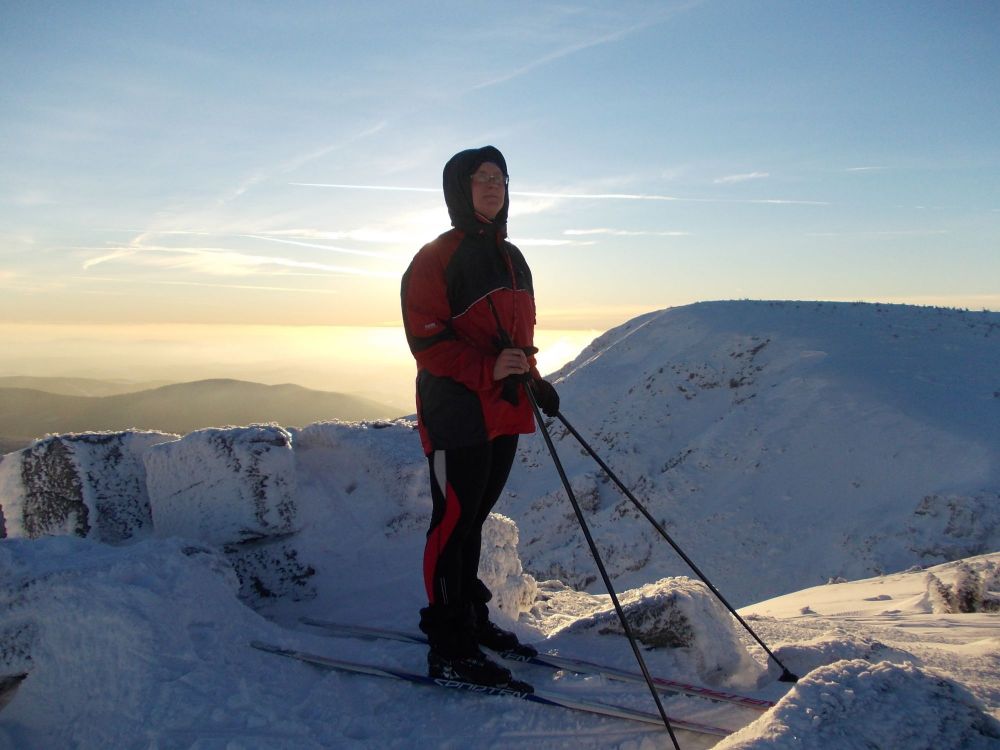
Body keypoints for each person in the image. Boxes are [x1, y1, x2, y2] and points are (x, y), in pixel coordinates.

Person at [400, 146, 560, 689]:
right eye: (481, 178)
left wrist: (532, 380)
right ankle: (447, 644)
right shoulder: (435, 257)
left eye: (500, 177)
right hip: (456, 413)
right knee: (452, 524)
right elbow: (427, 342)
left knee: (473, 522)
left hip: (501, 410)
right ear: (459, 189)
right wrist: (490, 367)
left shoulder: (514, 258)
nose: (493, 185)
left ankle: (470, 618)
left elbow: (516, 339)